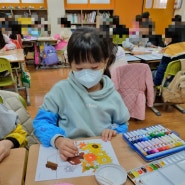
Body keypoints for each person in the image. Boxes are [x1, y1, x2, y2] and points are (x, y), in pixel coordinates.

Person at [33, 27, 130, 161]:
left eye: (94, 67)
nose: (87, 73)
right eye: (79, 68)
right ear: (70, 63)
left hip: (101, 154)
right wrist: (58, 140)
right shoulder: (60, 91)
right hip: (69, 154)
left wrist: (114, 130)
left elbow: (122, 124)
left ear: (106, 61)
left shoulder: (112, 94)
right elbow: (41, 122)